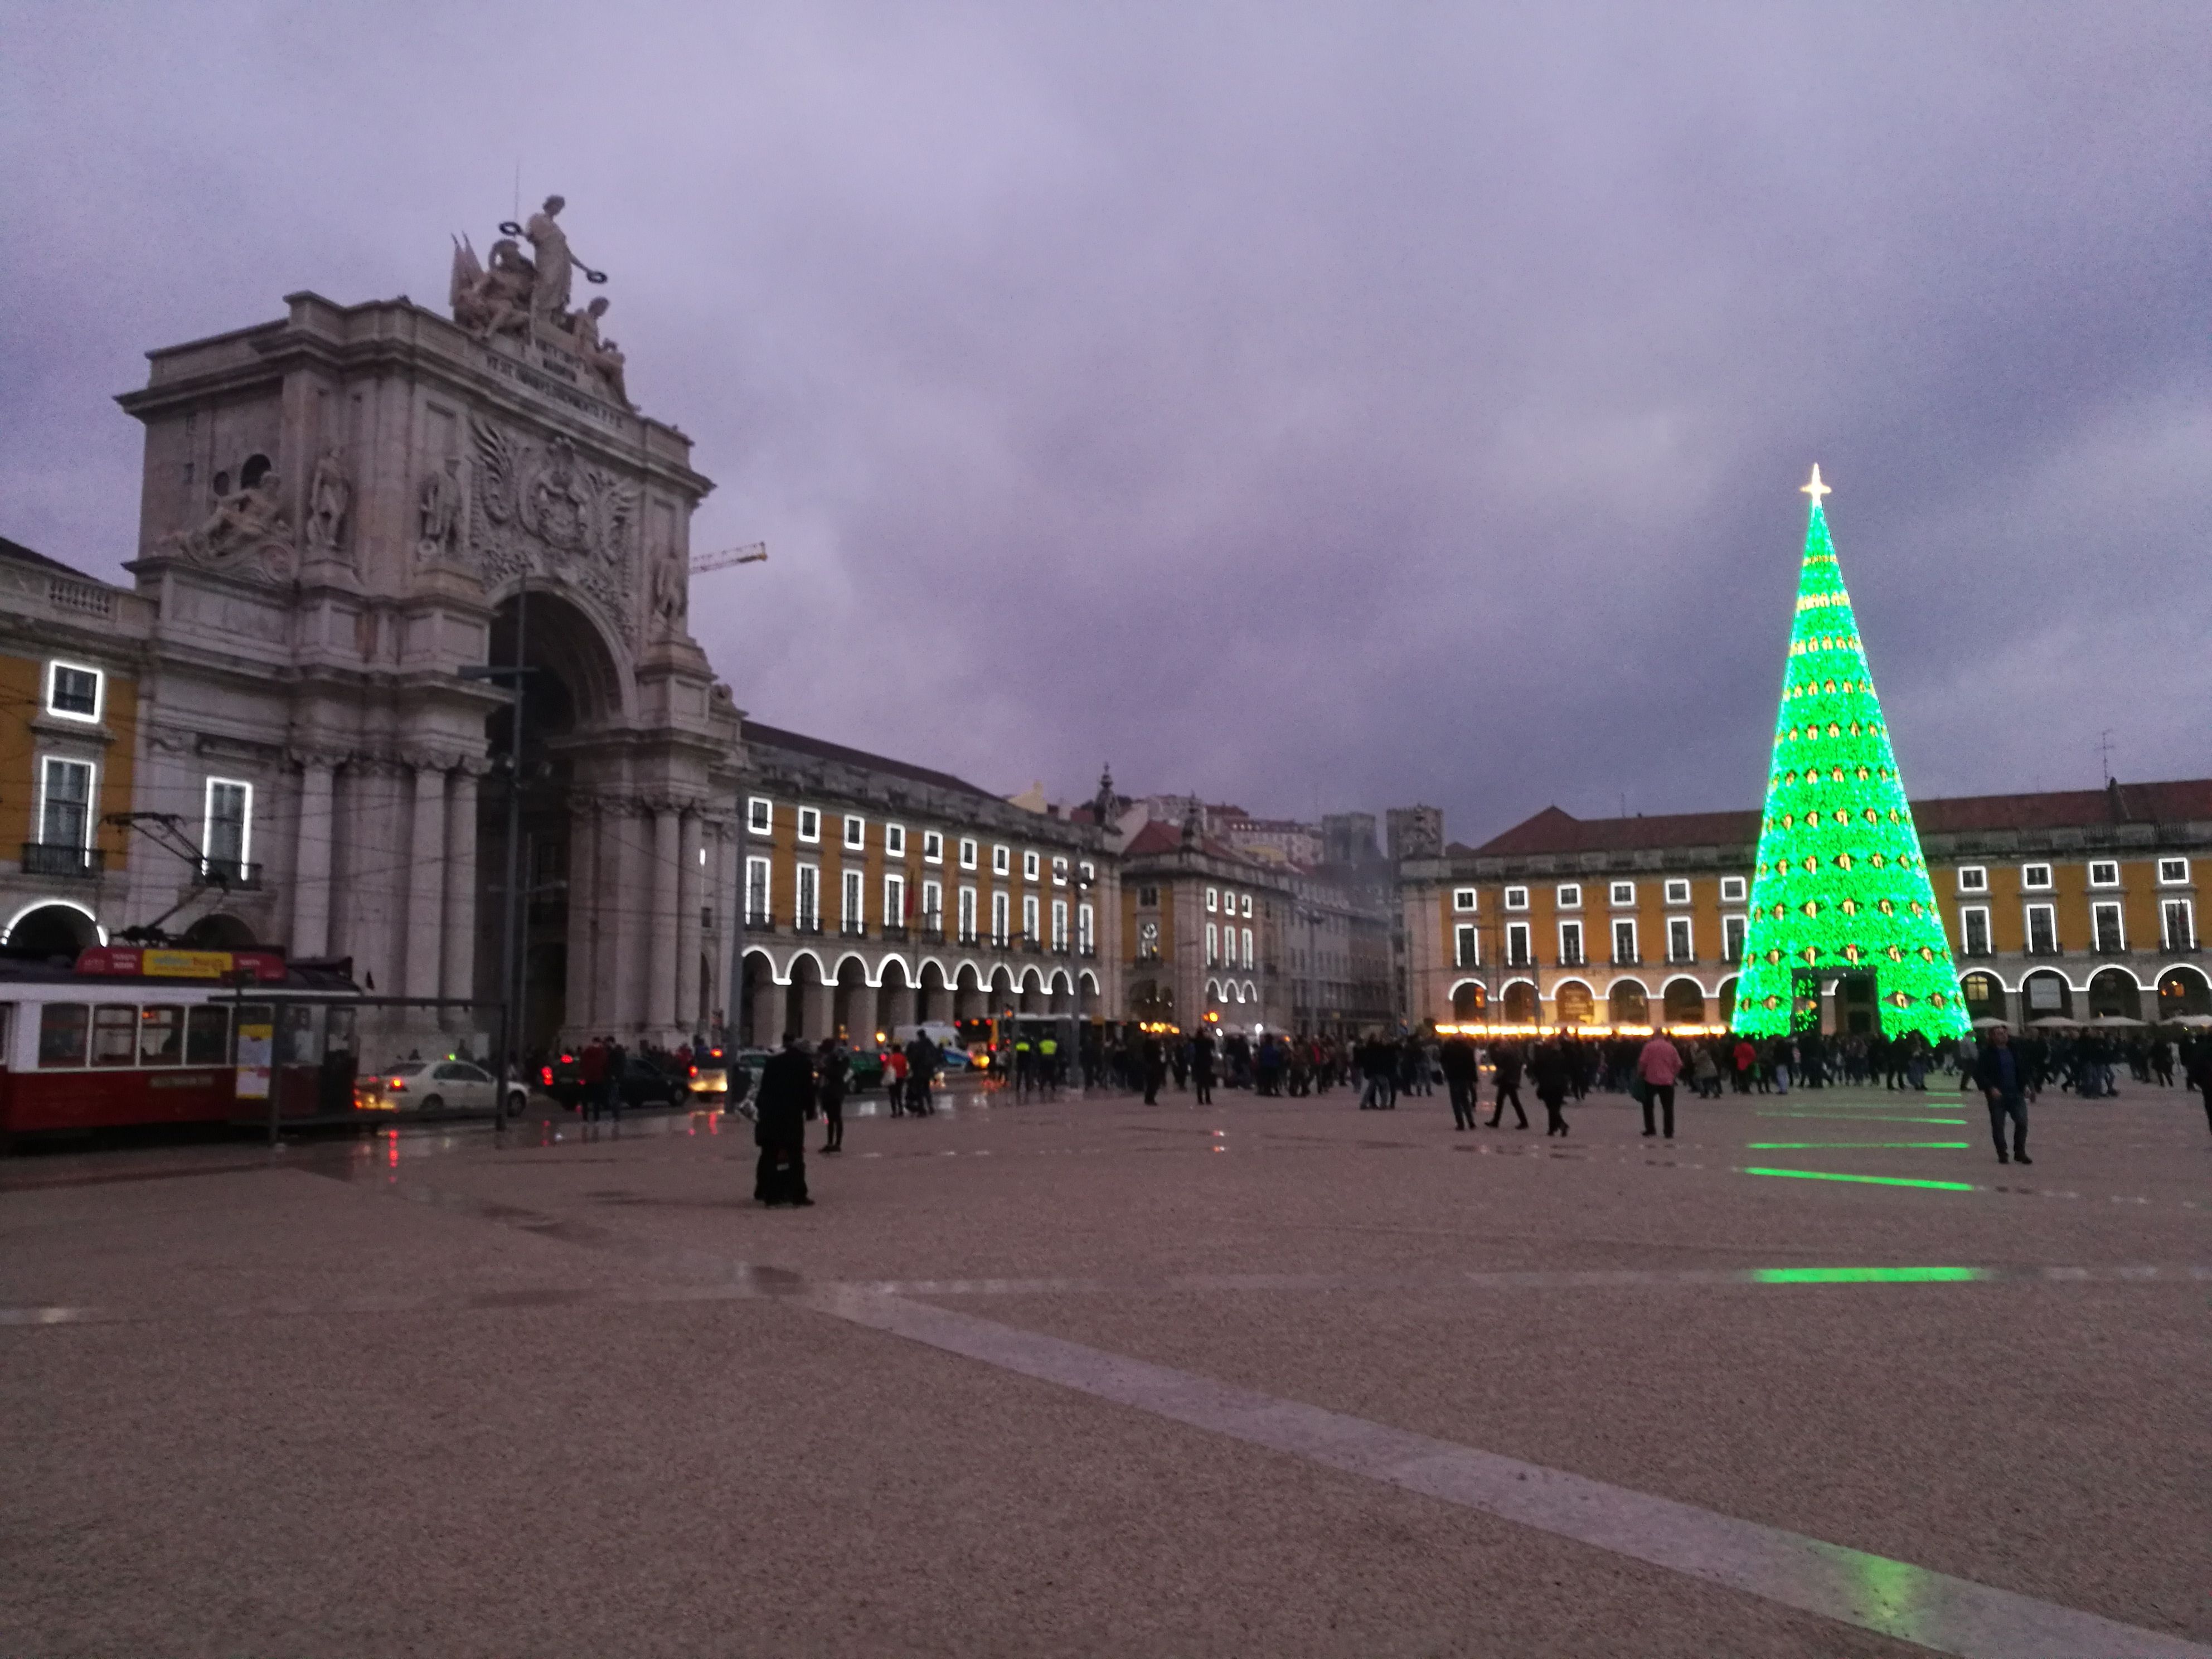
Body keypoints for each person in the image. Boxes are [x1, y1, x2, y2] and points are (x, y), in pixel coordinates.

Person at [753, 1033, 815, 1206]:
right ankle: (797, 1194)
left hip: (770, 1114)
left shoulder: (773, 1062)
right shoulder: (804, 1064)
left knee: (771, 1154)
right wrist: (811, 1112)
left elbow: (764, 1089)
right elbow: (808, 1091)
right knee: (795, 1155)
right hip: (791, 1115)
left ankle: (770, 1194)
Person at [1972, 1027, 2031, 1166]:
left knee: (2022, 1122)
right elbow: (1979, 1074)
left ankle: (2020, 1152)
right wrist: (1990, 1088)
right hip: (1997, 1095)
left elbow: (2022, 1069)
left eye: (2005, 1033)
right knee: (1998, 1125)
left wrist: (2026, 1085)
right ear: (1993, 1037)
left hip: (2016, 1093)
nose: (2003, 1036)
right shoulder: (1987, 1054)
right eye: (1999, 1034)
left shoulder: (2014, 1051)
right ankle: (2002, 1153)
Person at [1635, 1030, 1684, 1139]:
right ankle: (1669, 1131)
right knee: (1668, 1108)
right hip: (1667, 1081)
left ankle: (1651, 1129)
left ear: (1654, 1036)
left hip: (1650, 1079)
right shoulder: (1671, 1047)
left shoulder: (1649, 1047)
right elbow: (1679, 1064)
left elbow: (1642, 1062)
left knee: (1648, 1106)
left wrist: (1640, 1074)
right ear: (1664, 1036)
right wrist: (1673, 1075)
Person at [1531, 1040, 1571, 1136]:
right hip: (1560, 1084)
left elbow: (1537, 1069)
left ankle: (1560, 1125)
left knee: (1551, 1107)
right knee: (1555, 1107)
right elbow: (1567, 1070)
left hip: (1547, 1084)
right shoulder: (1562, 1056)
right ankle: (1552, 1128)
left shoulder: (1544, 1057)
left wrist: (1536, 1079)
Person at [1439, 1031, 1478, 1130]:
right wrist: (1474, 1078)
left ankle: (1460, 1123)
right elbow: (1472, 1065)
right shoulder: (1468, 1050)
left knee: (1456, 1101)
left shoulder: (1449, 1049)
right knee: (1465, 1099)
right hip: (1465, 1077)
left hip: (1453, 1077)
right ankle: (1471, 1121)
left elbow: (1442, 1059)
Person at [817, 1037, 848, 1154]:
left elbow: (838, 1074)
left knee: (837, 1117)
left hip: (835, 1091)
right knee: (830, 1118)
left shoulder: (839, 1058)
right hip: (828, 1091)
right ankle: (830, 1142)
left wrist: (825, 1070)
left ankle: (837, 1143)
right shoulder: (829, 1058)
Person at [1488, 1041, 1529, 1129]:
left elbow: (1499, 1064)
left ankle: (1523, 1122)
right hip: (1511, 1079)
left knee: (1510, 1101)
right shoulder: (1514, 1054)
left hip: (1507, 1080)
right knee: (1504, 1101)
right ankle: (1496, 1121)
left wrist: (1493, 1052)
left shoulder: (1507, 1054)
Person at [903, 1031, 939, 1116]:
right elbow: (936, 1057)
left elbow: (914, 1059)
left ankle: (922, 1109)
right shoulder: (931, 1045)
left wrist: (912, 1067)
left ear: (919, 1036)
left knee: (919, 1090)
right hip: (929, 1071)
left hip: (919, 1071)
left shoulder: (918, 1046)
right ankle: (930, 1106)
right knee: (927, 1089)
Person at [1191, 1029, 1217, 1105]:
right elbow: (1213, 1045)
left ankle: (1200, 1100)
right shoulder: (1207, 1041)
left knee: (1199, 1083)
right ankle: (1208, 1099)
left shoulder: (1196, 1041)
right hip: (1206, 1063)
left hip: (1198, 1063)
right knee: (1206, 1083)